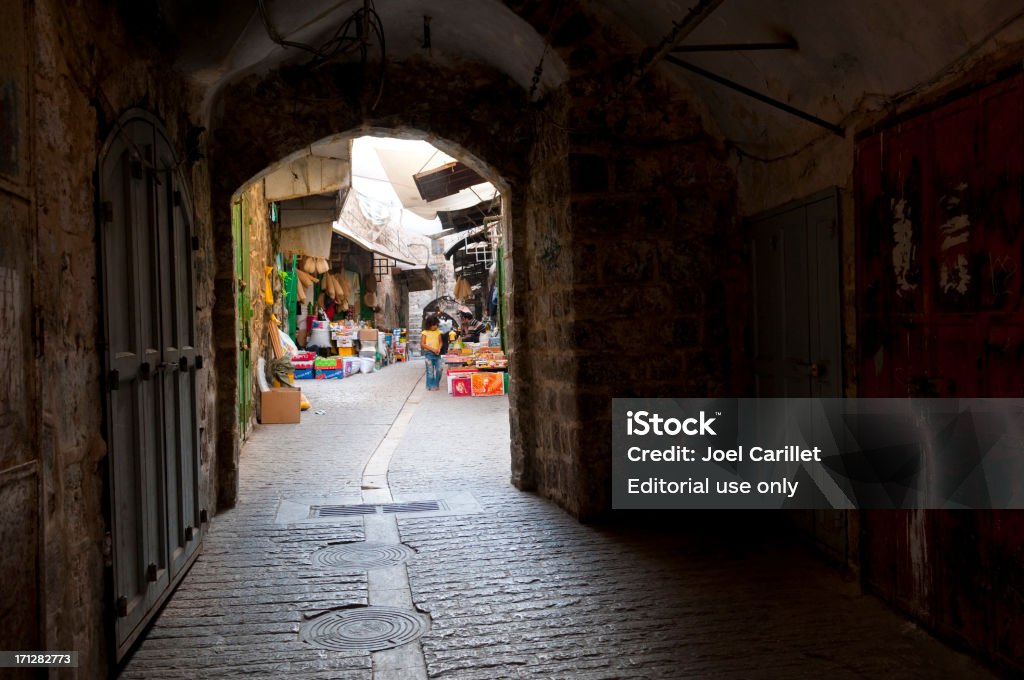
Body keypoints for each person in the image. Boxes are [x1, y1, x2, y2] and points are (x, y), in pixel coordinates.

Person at [420, 315, 444, 391]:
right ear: (429, 325)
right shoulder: (425, 332)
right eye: (434, 325)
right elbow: (423, 344)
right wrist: (433, 349)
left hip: (437, 354)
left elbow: (441, 342)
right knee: (430, 372)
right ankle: (430, 385)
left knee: (439, 369)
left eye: (436, 324)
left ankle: (436, 384)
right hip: (429, 354)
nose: (436, 326)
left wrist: (439, 348)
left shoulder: (438, 332)